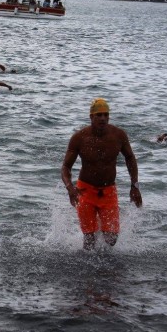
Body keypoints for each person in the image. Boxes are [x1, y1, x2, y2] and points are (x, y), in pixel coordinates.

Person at [61, 98, 142, 250]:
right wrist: (70, 187)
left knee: (111, 240)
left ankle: (100, 222)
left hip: (108, 191)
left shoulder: (118, 135)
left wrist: (135, 185)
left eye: (106, 114)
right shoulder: (79, 138)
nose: (103, 118)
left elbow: (130, 157)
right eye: (99, 115)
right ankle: (89, 271)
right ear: (91, 117)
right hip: (85, 191)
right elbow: (65, 166)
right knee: (89, 241)